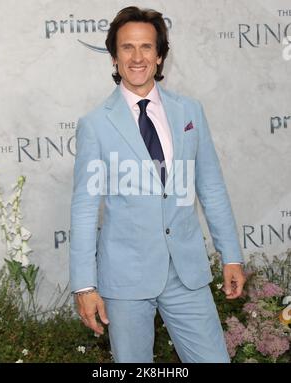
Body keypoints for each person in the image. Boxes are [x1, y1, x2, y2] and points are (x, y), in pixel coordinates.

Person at [69, 6, 246, 363]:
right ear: (114, 57)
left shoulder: (190, 111)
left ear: (160, 55)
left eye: (147, 47)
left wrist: (232, 256)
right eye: (127, 48)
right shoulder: (95, 125)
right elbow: (85, 209)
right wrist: (84, 285)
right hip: (125, 277)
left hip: (186, 273)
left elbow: (211, 188)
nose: (137, 57)